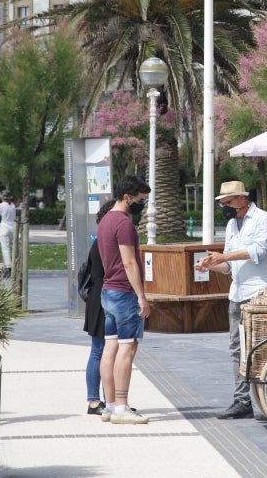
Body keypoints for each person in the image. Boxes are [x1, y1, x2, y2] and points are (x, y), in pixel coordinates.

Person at [197, 179, 267, 420]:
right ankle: (242, 400)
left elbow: (258, 251)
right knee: (236, 349)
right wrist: (210, 265)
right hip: (237, 294)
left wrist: (225, 255)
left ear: (242, 198)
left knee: (263, 347)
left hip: (259, 293)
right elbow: (229, 266)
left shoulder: (262, 218)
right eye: (223, 203)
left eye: (228, 202)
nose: (225, 207)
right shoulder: (232, 224)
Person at [97, 175, 151, 425]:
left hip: (108, 291)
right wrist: (141, 296)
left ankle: (109, 405)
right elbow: (129, 262)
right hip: (124, 293)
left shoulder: (106, 220)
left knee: (110, 347)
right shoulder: (124, 224)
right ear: (127, 197)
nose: (143, 204)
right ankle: (121, 407)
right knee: (127, 349)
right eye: (141, 200)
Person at [84, 198, 115, 415]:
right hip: (101, 297)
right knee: (99, 350)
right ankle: (94, 400)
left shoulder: (102, 240)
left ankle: (108, 399)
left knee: (105, 350)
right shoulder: (104, 242)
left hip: (100, 296)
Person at [0, 193, 16, 278]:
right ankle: (13, 265)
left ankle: (8, 267)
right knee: (12, 247)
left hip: (4, 226)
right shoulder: (13, 206)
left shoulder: (1, 206)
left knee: (5, 248)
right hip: (12, 227)